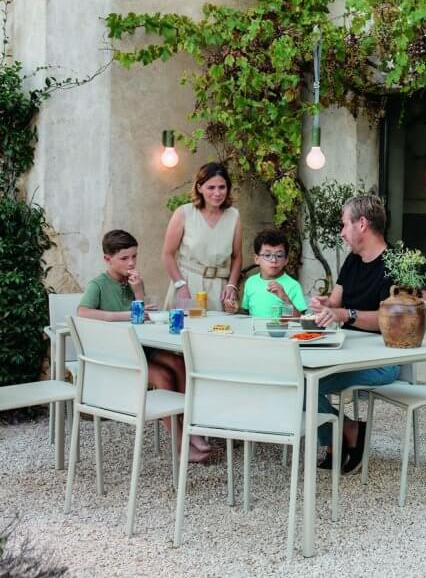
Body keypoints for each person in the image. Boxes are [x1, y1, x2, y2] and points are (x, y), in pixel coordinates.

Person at [77, 230, 211, 462]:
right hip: (120, 354)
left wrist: (138, 290)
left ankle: (191, 428)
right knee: (163, 377)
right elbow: (82, 312)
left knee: (179, 363)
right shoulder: (98, 285)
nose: (131, 263)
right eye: (124, 258)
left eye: (134, 257)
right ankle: (179, 442)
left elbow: (143, 314)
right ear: (107, 259)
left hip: (143, 347)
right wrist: (119, 316)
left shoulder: (133, 281)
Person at [309, 194, 398, 473]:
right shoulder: (353, 260)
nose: (342, 232)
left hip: (382, 361)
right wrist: (325, 304)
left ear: (362, 224)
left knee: (308, 386)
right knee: (302, 382)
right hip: (349, 351)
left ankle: (338, 440)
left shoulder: (394, 264)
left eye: (344, 224)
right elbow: (336, 302)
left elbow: (389, 322)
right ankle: (347, 430)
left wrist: (346, 314)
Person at [162, 162, 242, 313]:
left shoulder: (234, 216)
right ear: (200, 188)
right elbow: (167, 254)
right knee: (186, 331)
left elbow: (237, 257)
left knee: (217, 332)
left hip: (219, 288)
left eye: (222, 187)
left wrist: (231, 285)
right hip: (188, 285)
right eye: (211, 187)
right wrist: (180, 285)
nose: (217, 193)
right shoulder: (184, 213)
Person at [228, 228, 307, 317]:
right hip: (255, 330)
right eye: (267, 255)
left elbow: (299, 319)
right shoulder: (251, 282)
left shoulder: (293, 285)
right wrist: (234, 309)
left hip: (281, 330)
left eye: (279, 255)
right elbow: (246, 313)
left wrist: (285, 298)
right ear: (257, 259)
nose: (273, 260)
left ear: (286, 260)